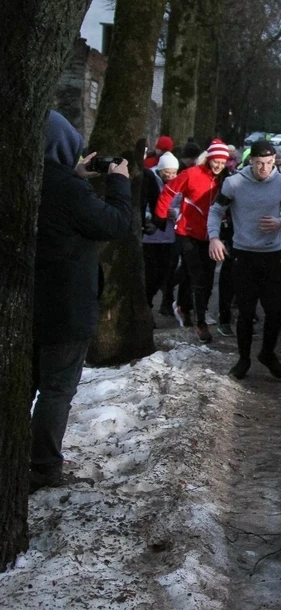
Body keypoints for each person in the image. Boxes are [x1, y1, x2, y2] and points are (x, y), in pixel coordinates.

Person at [31, 110, 132, 492]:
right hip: (65, 306)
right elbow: (115, 224)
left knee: (22, 385)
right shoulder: (67, 190)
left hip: (24, 305)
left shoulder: (23, 177)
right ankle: (42, 466)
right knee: (57, 390)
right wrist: (118, 183)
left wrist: (70, 178)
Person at [208, 139, 281, 380]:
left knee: (275, 310)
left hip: (272, 254)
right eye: (259, 163)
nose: (264, 169)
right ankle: (243, 358)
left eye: (269, 163)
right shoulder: (234, 182)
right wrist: (214, 238)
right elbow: (216, 210)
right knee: (246, 311)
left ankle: (267, 353)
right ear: (251, 161)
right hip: (244, 254)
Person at [154, 139, 231, 342]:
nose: (219, 166)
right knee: (198, 276)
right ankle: (201, 322)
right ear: (209, 159)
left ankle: (184, 306)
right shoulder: (191, 173)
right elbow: (168, 191)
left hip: (210, 234)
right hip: (186, 231)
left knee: (202, 275)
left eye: (223, 163)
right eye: (216, 161)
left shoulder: (225, 179)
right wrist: (160, 217)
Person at [142, 151, 180, 317]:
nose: (170, 177)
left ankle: (165, 303)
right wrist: (152, 216)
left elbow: (183, 203)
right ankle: (146, 309)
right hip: (150, 238)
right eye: (167, 173)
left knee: (167, 274)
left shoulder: (179, 183)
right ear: (160, 171)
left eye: (173, 173)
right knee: (151, 276)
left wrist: (177, 212)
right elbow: (143, 205)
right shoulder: (150, 180)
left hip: (169, 237)